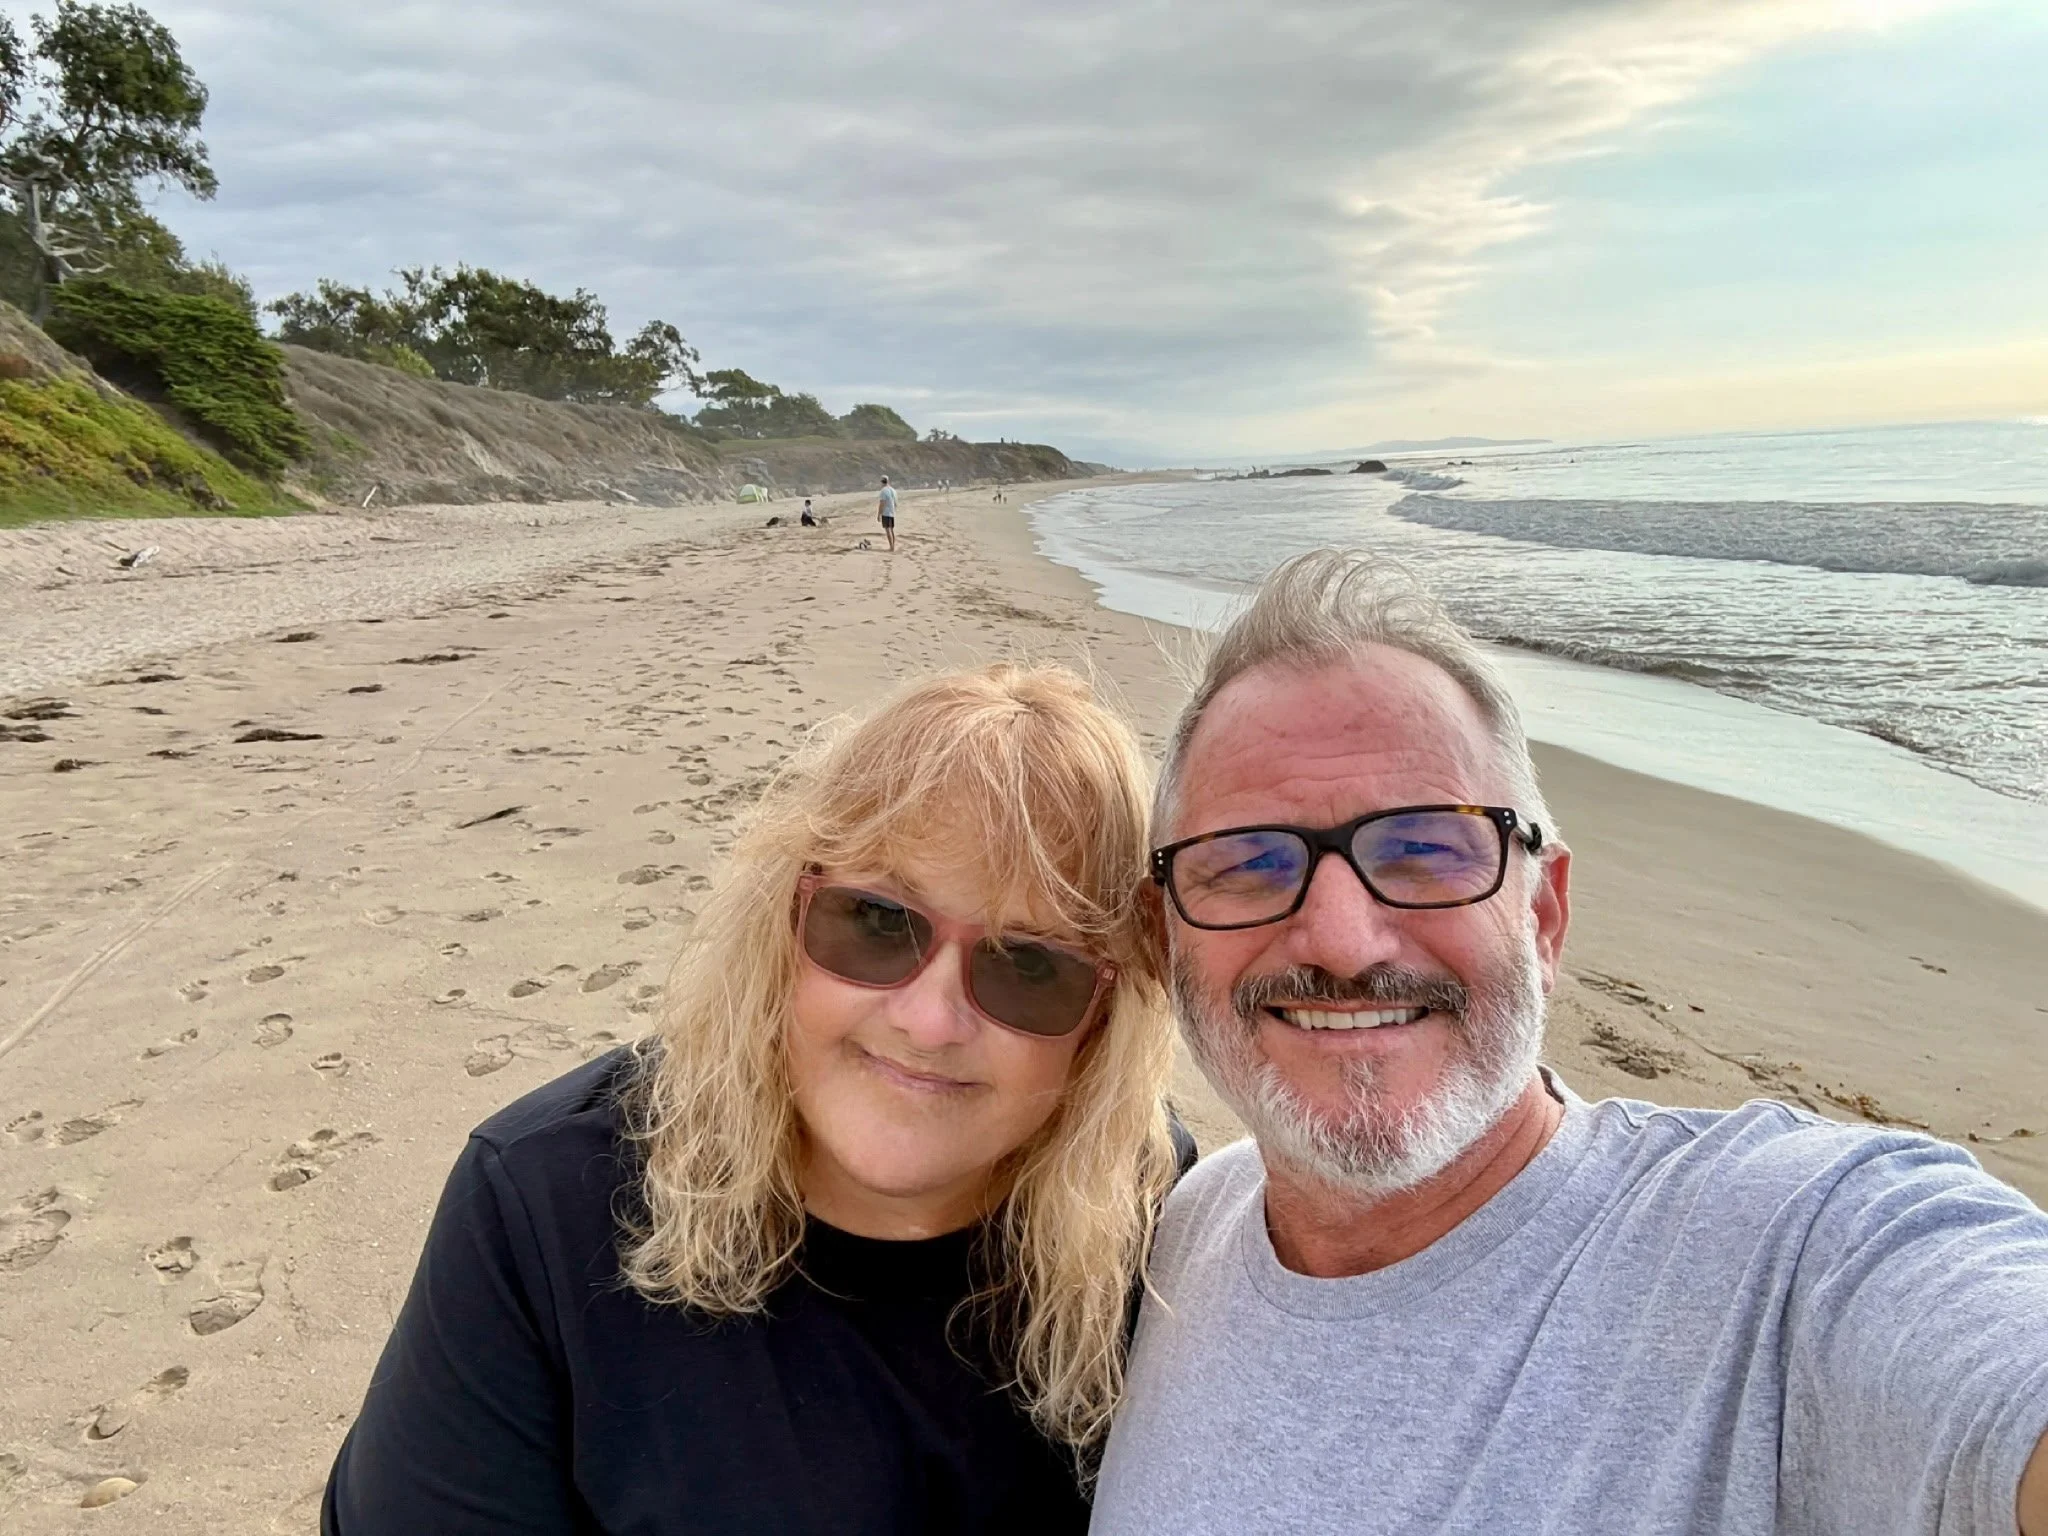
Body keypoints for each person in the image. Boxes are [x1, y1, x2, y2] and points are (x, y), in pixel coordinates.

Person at [1091, 550, 2048, 1534]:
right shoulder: (1182, 1232)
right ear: (1165, 938)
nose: (1339, 940)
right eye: (1246, 862)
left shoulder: (1782, 1257)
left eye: (1424, 849)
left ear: (1542, 917)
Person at [324, 665, 1186, 1535]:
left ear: (1105, 1022)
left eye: (1030, 966)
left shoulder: (1162, 1226)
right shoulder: (550, 1207)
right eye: (880, 922)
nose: (931, 1021)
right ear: (784, 920)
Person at [877, 476, 898, 551]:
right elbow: (896, 503)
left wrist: (879, 514)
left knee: (887, 529)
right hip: (892, 512)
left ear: (882, 482)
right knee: (891, 529)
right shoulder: (893, 490)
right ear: (888, 481)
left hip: (886, 512)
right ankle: (893, 546)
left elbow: (882, 503)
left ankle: (891, 547)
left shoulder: (883, 491)